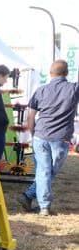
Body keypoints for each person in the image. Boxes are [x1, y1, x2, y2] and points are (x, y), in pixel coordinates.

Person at [17, 60, 79, 216]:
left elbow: (30, 116)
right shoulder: (73, 89)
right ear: (66, 73)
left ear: (50, 73)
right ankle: (43, 205)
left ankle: (29, 196)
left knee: (44, 171)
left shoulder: (40, 90)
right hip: (61, 137)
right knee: (48, 172)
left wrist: (33, 134)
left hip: (40, 135)